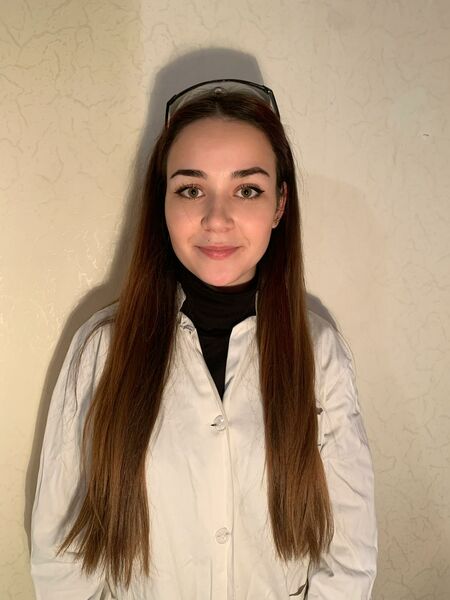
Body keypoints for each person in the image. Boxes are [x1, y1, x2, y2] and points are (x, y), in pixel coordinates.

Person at [30, 79, 377, 599]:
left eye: (247, 189)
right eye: (191, 189)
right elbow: (61, 557)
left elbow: (349, 557)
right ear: (162, 203)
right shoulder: (101, 349)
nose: (217, 219)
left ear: (279, 205)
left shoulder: (319, 352)